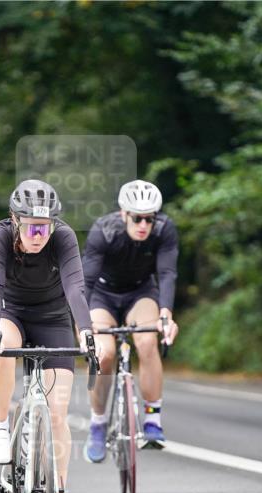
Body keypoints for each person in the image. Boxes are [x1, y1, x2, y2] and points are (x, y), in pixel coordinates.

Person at [0, 179, 98, 493]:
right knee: (0, 347)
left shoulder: (62, 237)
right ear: (14, 220)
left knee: (58, 412)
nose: (38, 234)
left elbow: (76, 288)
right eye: (31, 226)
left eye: (45, 226)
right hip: (10, 313)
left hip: (52, 319)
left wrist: (87, 331)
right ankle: (0, 426)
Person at [83, 179, 180, 461]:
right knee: (104, 354)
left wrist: (165, 316)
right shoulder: (104, 231)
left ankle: (153, 420)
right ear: (124, 213)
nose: (143, 225)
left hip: (140, 291)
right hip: (102, 293)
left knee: (148, 341)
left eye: (149, 219)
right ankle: (98, 423)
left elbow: (167, 275)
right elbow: (86, 282)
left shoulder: (164, 230)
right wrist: (81, 325)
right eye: (137, 218)